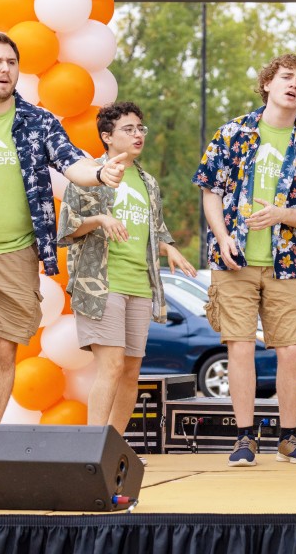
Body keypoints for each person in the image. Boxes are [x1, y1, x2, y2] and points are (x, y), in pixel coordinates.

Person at [0, 32, 126, 478]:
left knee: (1, 350)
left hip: (16, 254)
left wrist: (101, 171)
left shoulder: (37, 120)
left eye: (11, 61)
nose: (5, 69)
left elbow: (72, 162)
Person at [193, 54, 296, 467]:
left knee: (291, 350)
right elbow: (210, 192)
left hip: (285, 262)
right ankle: (243, 438)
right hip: (233, 259)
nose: (293, 85)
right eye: (286, 77)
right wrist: (221, 238)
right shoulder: (232, 133)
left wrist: (281, 215)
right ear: (268, 83)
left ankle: (289, 438)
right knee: (239, 348)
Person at [59, 102, 195, 433]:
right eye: (129, 129)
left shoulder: (148, 182)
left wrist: (169, 249)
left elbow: (155, 231)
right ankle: (93, 445)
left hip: (140, 285)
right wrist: (99, 219)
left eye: (141, 129)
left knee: (131, 370)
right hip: (102, 284)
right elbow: (66, 229)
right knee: (112, 365)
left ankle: (116, 444)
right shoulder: (90, 174)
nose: (138, 135)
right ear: (107, 136)